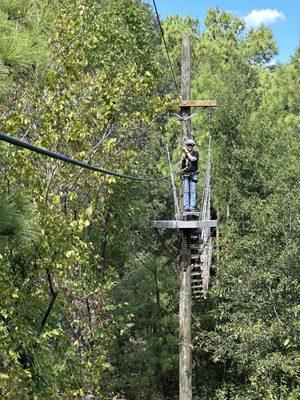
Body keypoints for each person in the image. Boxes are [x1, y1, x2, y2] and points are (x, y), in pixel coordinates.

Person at [181, 138, 199, 212]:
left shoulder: (196, 153)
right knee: (185, 191)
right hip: (185, 174)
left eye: (191, 145)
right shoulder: (184, 155)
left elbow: (192, 159)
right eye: (188, 145)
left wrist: (186, 152)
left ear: (193, 146)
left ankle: (192, 207)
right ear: (187, 145)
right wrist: (183, 155)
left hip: (193, 174)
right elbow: (181, 166)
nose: (190, 146)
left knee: (192, 191)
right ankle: (186, 207)